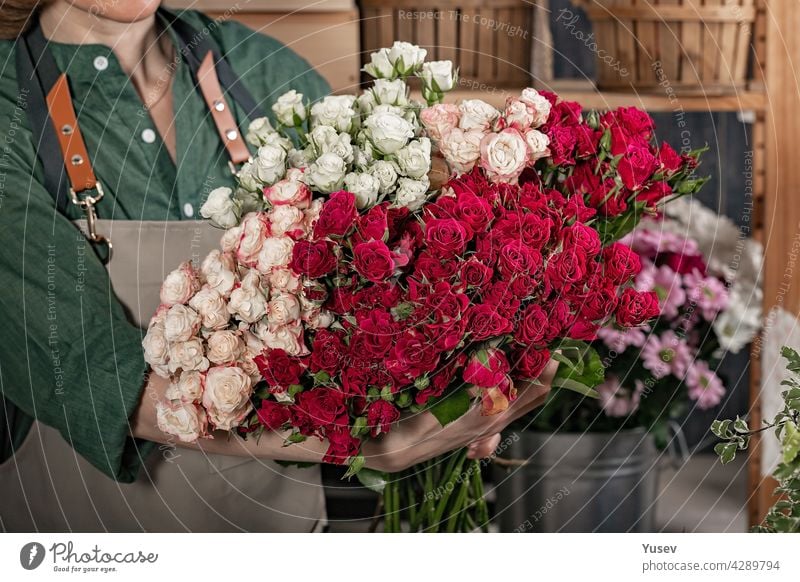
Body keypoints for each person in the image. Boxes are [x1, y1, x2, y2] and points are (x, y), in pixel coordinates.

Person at [0, 0, 555, 532]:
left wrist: (463, 384)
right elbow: (82, 366)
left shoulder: (256, 68)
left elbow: (382, 270)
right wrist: (357, 441)